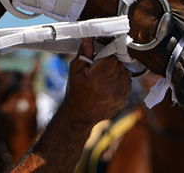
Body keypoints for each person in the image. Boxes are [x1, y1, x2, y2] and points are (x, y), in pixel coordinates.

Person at [10, 38, 131, 172]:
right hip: (52, 98)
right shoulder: (52, 62)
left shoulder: (65, 62)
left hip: (68, 96)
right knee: (42, 116)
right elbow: (56, 82)